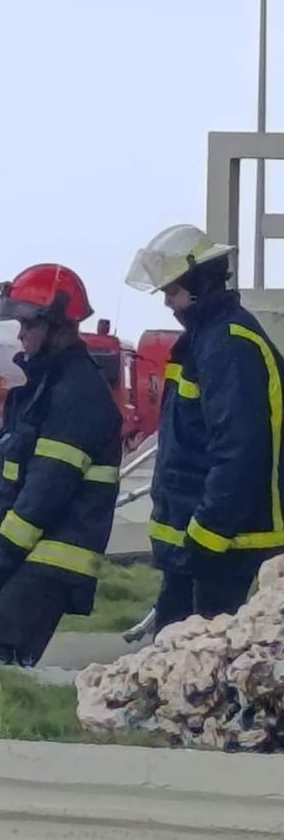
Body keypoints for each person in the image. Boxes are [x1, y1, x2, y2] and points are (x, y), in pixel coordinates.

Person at [0, 264, 122, 666]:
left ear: (56, 325)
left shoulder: (77, 395)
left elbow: (42, 496)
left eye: (26, 325)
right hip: (22, 553)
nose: (20, 335)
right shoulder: (39, 390)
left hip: (52, 558)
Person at [126, 224, 284, 632]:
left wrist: (206, 534)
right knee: (173, 664)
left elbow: (240, 451)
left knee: (203, 674)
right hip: (204, 545)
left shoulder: (229, 346)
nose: (168, 304)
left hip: (227, 545)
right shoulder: (207, 340)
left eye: (173, 291)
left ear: (200, 284)